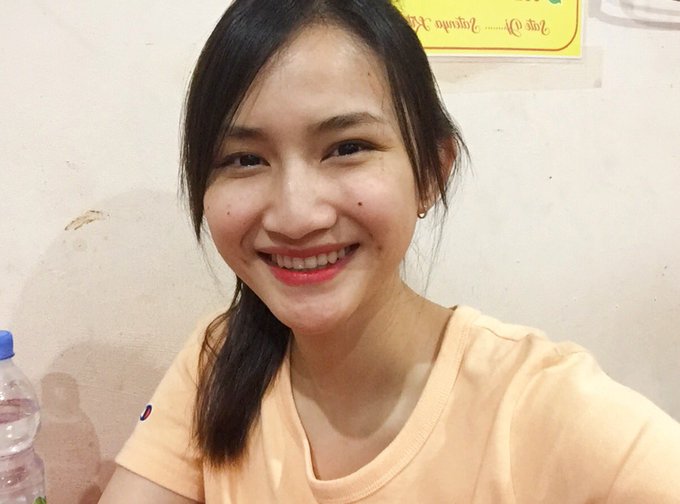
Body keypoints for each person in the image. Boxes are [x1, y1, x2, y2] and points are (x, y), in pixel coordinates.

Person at [99, 0, 680, 502]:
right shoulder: (219, 362)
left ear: (430, 172)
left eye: (347, 147)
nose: (296, 216)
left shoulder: (542, 407)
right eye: (245, 159)